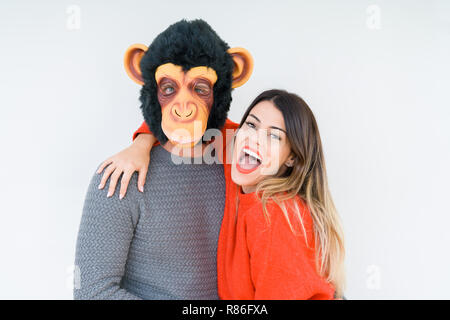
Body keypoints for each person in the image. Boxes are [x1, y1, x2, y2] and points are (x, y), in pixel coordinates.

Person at [100, 89, 346, 299]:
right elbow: (188, 117)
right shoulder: (237, 159)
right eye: (251, 124)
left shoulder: (275, 215)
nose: (254, 139)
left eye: (273, 136)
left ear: (292, 157)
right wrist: (140, 145)